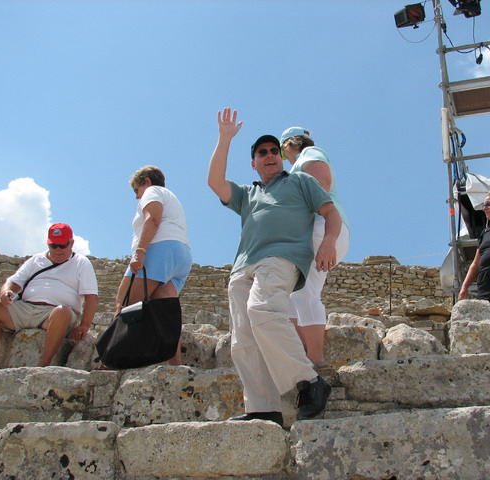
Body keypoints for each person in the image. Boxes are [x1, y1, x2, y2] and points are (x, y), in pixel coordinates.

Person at [208, 108, 342, 426]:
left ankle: (309, 382)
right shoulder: (247, 193)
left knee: (263, 311)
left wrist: (329, 241)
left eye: (274, 151)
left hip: (281, 258)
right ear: (253, 162)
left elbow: (330, 212)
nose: (269, 155)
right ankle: (263, 408)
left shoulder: (299, 182)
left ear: (281, 158)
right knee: (242, 339)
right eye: (261, 152)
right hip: (242, 267)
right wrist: (224, 139)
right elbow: (215, 182)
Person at [0, 223, 98, 368]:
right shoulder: (36, 260)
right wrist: (6, 292)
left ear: (71, 243)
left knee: (62, 312)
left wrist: (84, 324)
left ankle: (43, 365)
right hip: (25, 308)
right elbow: (13, 282)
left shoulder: (81, 263)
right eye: (54, 246)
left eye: (63, 245)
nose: (58, 250)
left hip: (55, 314)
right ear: (48, 244)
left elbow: (91, 296)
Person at [280, 127, 350, 366]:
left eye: (282, 150)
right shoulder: (299, 164)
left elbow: (322, 180)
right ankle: (302, 354)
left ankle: (316, 361)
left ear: (290, 143)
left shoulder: (310, 153)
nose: (283, 157)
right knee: (291, 296)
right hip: (321, 230)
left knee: (303, 293)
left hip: (322, 226)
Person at [114, 165, 192, 365]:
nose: (137, 197)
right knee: (165, 315)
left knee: (124, 303)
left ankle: (114, 358)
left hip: (159, 249)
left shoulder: (152, 191)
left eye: (136, 190)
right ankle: (176, 368)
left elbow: (153, 219)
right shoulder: (172, 197)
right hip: (181, 254)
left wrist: (140, 252)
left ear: (146, 181)